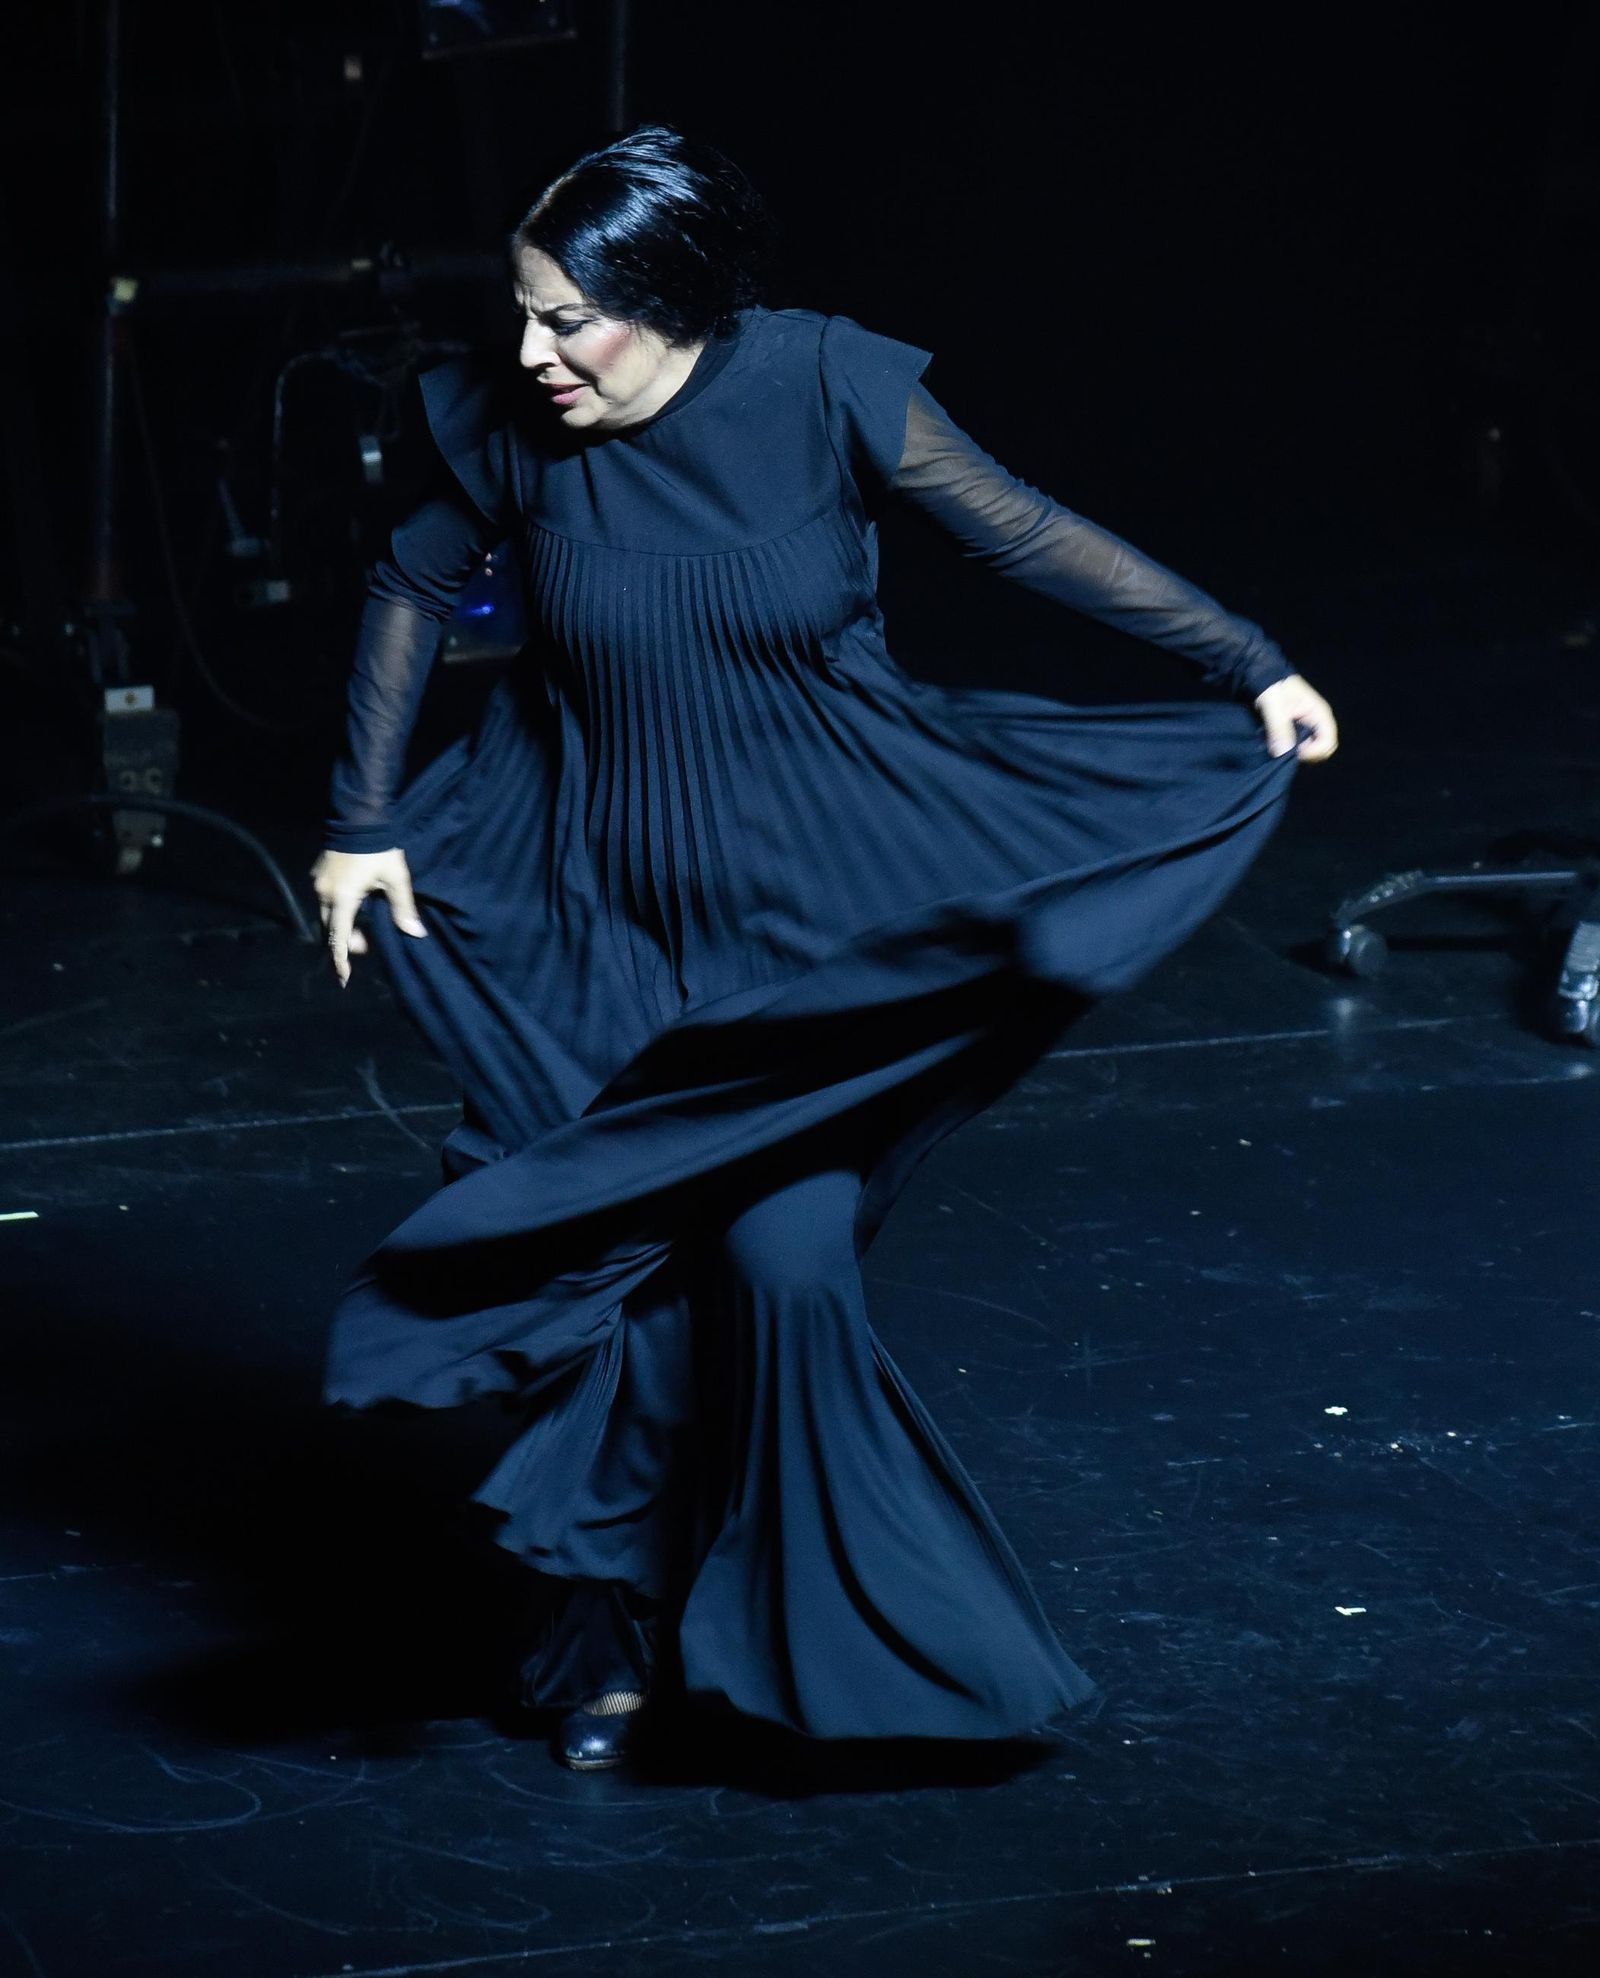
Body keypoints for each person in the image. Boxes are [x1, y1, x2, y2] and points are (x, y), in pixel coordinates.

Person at [312, 126, 1338, 1773]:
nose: (530, 352)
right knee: (604, 1255)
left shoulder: (822, 388)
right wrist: (360, 825)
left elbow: (1019, 528)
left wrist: (1244, 661)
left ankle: (835, 1638)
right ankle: (594, 1626)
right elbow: (406, 590)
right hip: (583, 906)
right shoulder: (515, 427)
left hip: (808, 920)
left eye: (567, 319)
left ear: (672, 306)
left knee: (779, 1267)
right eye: (521, 311)